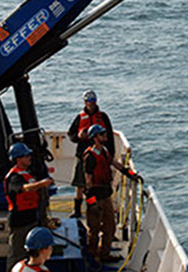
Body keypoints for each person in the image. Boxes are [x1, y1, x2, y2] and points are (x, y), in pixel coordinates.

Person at [83, 124, 141, 264]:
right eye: (102, 134)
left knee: (110, 226)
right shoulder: (90, 157)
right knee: (94, 228)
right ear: (95, 138)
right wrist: (92, 202)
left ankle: (104, 253)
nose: (105, 136)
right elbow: (88, 182)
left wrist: (131, 174)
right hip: (95, 197)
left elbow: (115, 164)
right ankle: (92, 255)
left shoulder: (104, 151)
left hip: (106, 194)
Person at [4, 142, 53, 272]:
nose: (29, 157)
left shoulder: (27, 174)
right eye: (26, 155)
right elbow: (23, 189)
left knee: (30, 254)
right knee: (17, 254)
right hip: (19, 220)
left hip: (31, 218)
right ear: (18, 158)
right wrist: (41, 184)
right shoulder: (14, 177)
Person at [66, 89, 114, 219]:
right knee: (81, 185)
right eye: (88, 101)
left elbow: (109, 135)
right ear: (84, 102)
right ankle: (78, 210)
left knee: (100, 182)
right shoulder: (80, 117)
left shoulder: (103, 117)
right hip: (83, 155)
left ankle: (98, 208)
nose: (91, 103)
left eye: (93, 101)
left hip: (99, 154)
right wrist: (78, 136)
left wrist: (111, 154)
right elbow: (71, 134)